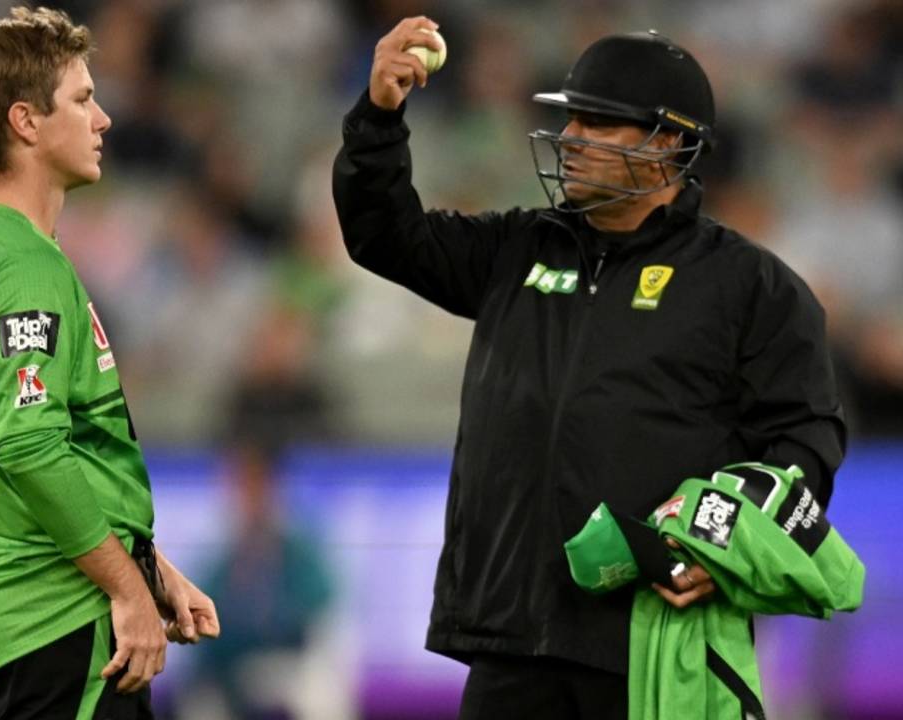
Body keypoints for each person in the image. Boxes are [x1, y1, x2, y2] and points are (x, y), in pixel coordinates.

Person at [333, 19, 845, 719]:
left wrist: (725, 556)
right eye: (570, 116)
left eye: (601, 123)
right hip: (509, 640)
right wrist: (380, 117)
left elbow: (803, 448)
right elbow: (383, 235)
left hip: (652, 646)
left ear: (669, 141)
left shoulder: (752, 288)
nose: (572, 137)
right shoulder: (518, 248)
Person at [0, 8, 219, 719]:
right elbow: (28, 444)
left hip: (39, 609)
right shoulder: (19, 266)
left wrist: (148, 567)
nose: (105, 119)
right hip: (63, 615)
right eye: (84, 99)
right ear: (26, 122)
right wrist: (124, 588)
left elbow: (52, 445)